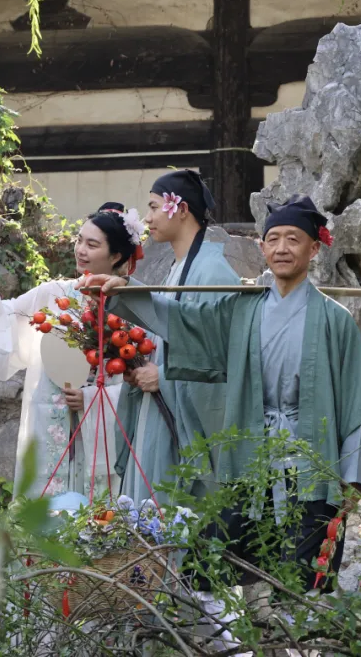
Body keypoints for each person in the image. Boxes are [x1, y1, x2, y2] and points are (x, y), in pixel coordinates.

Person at [79, 194, 361, 597]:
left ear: (314, 249)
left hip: (311, 466)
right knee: (206, 566)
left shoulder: (335, 320)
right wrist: (126, 293)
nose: (282, 248)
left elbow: (357, 404)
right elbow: (188, 322)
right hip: (251, 462)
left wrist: (352, 480)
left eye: (293, 239)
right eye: (273, 239)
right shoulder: (242, 308)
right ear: (262, 247)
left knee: (303, 585)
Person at [0, 203, 144, 498]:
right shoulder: (54, 294)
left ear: (116, 256)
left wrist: (90, 399)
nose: (80, 250)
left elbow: (141, 380)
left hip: (102, 434)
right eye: (79, 241)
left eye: (92, 245)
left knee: (101, 512)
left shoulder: (133, 305)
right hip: (51, 424)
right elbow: (4, 321)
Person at [115, 170, 241, 505]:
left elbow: (222, 360)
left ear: (181, 209)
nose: (148, 218)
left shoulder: (213, 273)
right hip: (162, 408)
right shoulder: (179, 267)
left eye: (154, 207)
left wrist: (165, 377)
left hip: (179, 410)